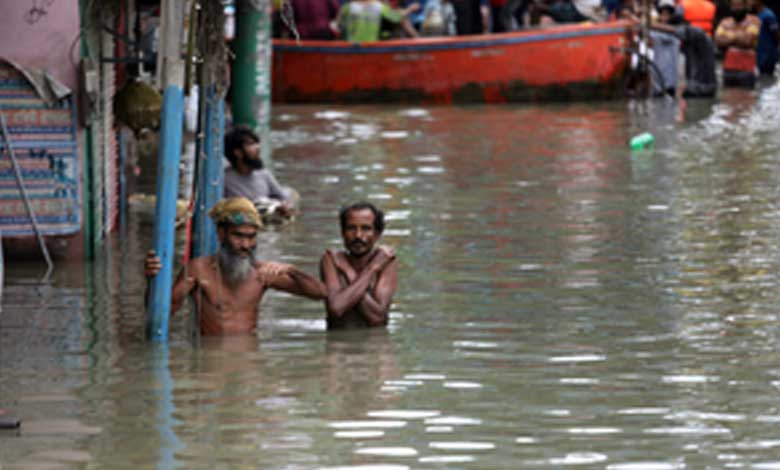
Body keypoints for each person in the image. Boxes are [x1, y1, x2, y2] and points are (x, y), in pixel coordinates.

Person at [144, 197, 326, 335]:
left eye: (251, 237)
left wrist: (292, 270)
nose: (245, 245)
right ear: (221, 233)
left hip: (250, 363)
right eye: (238, 236)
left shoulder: (262, 273)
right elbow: (162, 314)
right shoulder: (198, 270)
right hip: (211, 366)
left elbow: (320, 294)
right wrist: (152, 280)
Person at [319, 202, 398, 329]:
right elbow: (336, 308)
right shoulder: (331, 259)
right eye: (351, 228)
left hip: (374, 345)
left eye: (366, 228)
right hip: (339, 344)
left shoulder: (385, 261)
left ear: (377, 234)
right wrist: (371, 270)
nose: (358, 236)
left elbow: (378, 318)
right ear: (342, 233)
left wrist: (350, 271)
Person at [224, 125, 295, 218]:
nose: (257, 148)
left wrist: (285, 207)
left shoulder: (263, 174)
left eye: (256, 143)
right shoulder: (225, 179)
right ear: (238, 153)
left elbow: (282, 197)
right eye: (251, 144)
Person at [715, 0, 761, 86]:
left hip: (747, 70)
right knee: (728, 97)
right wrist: (739, 36)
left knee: (747, 97)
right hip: (728, 70)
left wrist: (728, 37)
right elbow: (718, 41)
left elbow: (747, 41)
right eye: (734, 6)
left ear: (746, 7)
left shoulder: (754, 21)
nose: (736, 8)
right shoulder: (725, 21)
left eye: (739, 5)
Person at [332, 0, 420, 42]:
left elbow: (335, 27)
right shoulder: (379, 7)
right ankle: (419, 41)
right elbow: (397, 18)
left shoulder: (347, 7)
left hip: (350, 48)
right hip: (371, 46)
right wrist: (410, 9)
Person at [752, 0, 779, 75]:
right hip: (760, 52)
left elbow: (776, 33)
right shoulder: (757, 14)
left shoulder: (768, 15)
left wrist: (773, 49)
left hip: (768, 54)